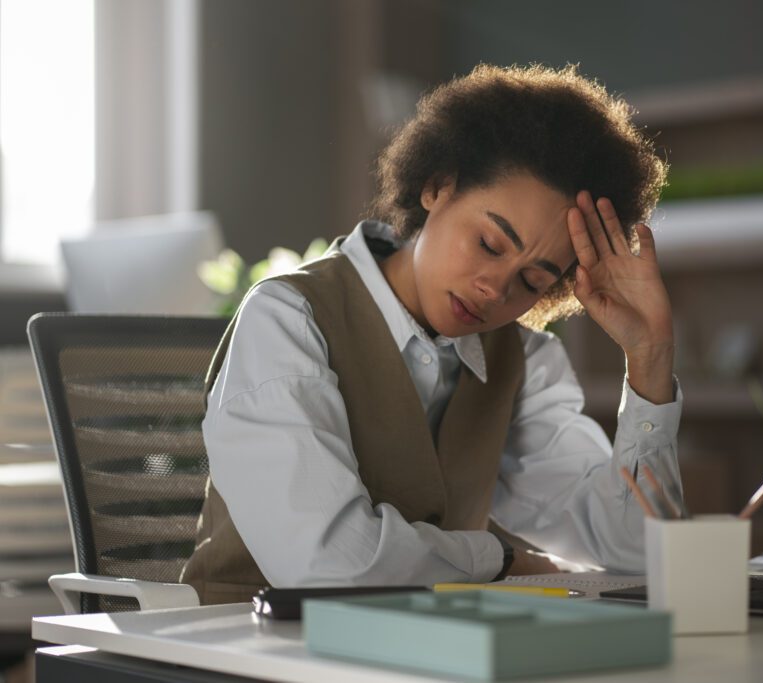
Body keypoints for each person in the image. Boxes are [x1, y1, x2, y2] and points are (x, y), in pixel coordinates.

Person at [181, 64, 685, 605]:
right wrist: (498, 558)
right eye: (490, 244)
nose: (495, 289)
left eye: (533, 280)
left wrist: (649, 357)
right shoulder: (288, 320)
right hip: (247, 648)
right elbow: (329, 566)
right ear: (437, 187)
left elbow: (635, 550)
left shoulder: (524, 360)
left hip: (425, 653)